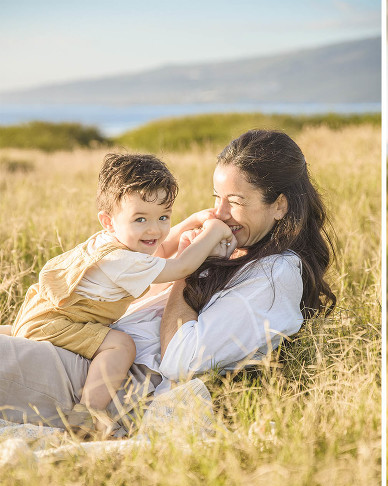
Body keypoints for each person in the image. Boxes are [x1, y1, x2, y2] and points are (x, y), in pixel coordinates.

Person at [0, 129, 336, 433]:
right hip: (86, 349)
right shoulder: (244, 250)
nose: (219, 213)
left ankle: (86, 419)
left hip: (111, 381)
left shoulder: (275, 274)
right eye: (216, 197)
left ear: (279, 206)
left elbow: (183, 360)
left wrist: (188, 271)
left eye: (235, 201)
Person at [9, 153, 234, 435]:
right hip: (59, 323)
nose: (154, 229)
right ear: (108, 220)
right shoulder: (123, 262)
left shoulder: (115, 242)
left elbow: (160, 250)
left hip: (43, 313)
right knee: (121, 346)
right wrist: (212, 232)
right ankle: (88, 414)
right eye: (140, 219)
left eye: (163, 217)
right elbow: (180, 266)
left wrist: (188, 223)